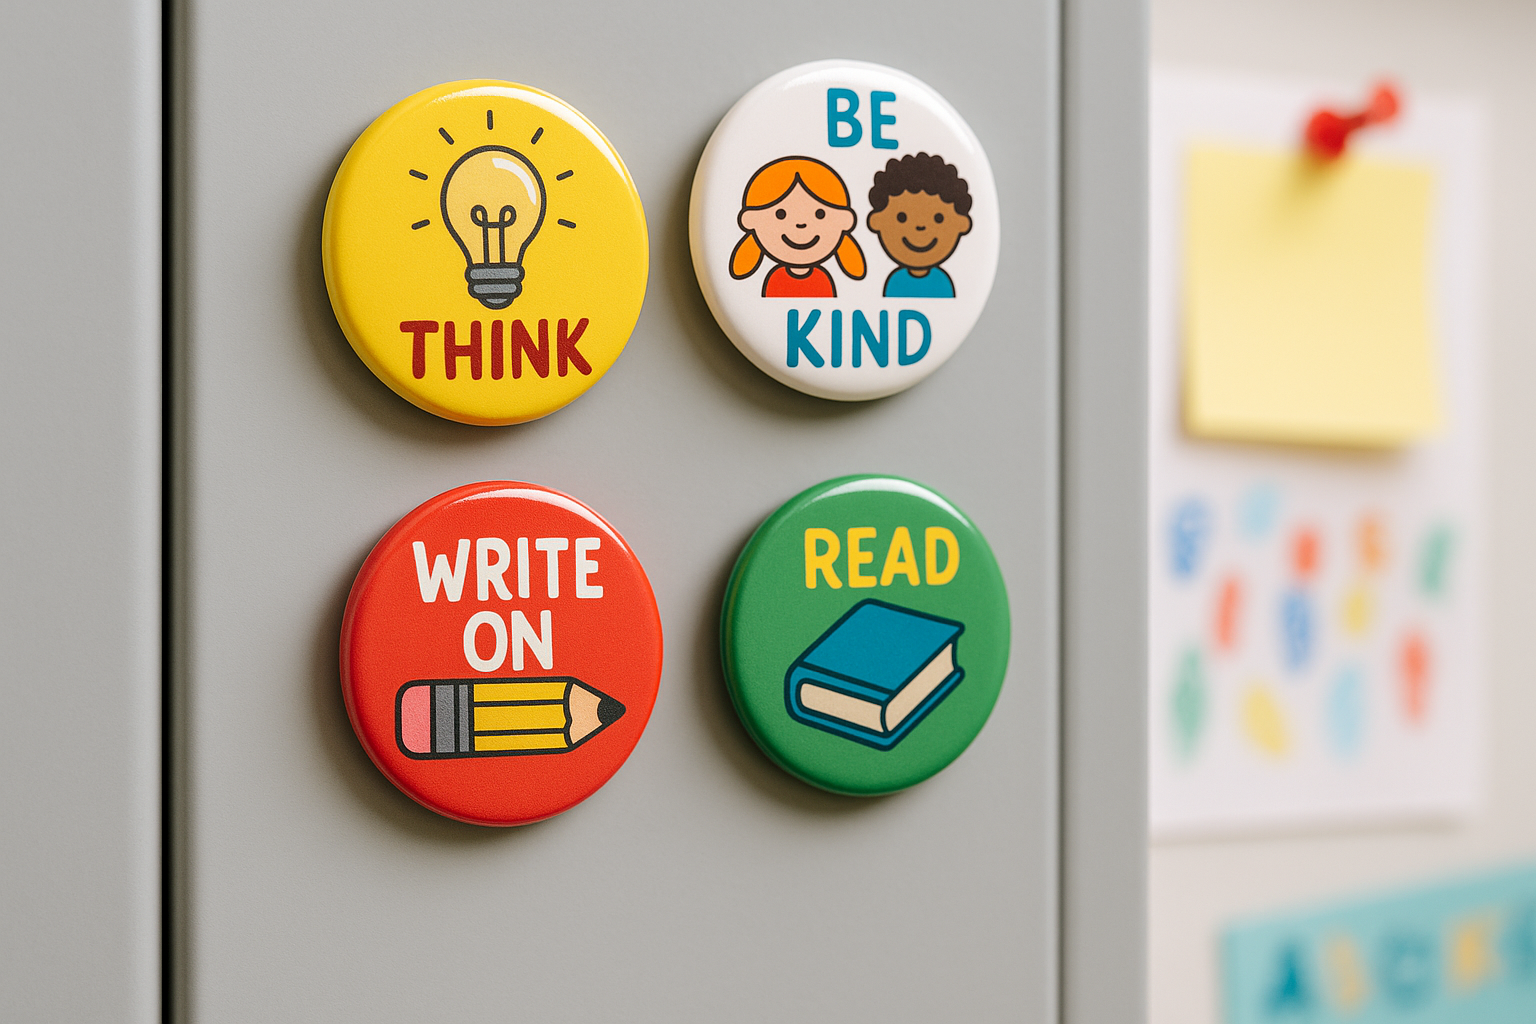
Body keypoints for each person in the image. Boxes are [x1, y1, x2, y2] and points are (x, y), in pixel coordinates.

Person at [730, 157, 866, 298]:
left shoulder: (822, 279)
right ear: (752, 219)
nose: (801, 224)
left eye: (820, 214)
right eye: (780, 214)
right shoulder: (776, 279)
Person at [865, 153, 973, 298]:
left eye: (938, 218)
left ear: (962, 223)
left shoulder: (942, 283)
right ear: (876, 221)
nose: (920, 226)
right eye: (902, 218)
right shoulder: (895, 282)